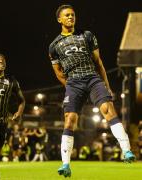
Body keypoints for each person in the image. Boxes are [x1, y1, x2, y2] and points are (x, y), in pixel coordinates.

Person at [49, 4, 135, 177]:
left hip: (92, 78)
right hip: (73, 83)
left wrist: (107, 85)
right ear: (59, 19)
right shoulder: (54, 46)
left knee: (108, 110)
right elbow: (58, 72)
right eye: (67, 15)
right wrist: (71, 87)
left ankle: (127, 150)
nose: (71, 17)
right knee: (70, 119)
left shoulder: (87, 35)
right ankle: (65, 164)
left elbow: (99, 63)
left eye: (73, 14)